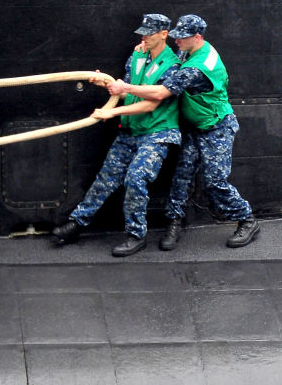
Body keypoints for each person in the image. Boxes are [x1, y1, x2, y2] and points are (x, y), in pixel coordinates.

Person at [107, 14, 259, 250]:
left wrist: (124, 87)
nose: (176, 40)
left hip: (216, 128)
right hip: (193, 127)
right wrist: (145, 49)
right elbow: (171, 58)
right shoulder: (189, 50)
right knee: (181, 177)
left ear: (197, 37)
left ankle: (246, 219)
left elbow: (161, 93)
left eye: (182, 37)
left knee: (215, 181)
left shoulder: (198, 67)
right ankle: (175, 222)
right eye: (176, 35)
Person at [51, 14, 181, 256]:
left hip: (157, 133)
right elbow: (128, 93)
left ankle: (136, 235)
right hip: (131, 130)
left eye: (150, 33)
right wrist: (108, 86)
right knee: (106, 178)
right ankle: (77, 223)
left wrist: (112, 112)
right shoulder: (137, 56)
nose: (144, 36)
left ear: (164, 34)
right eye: (143, 32)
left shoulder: (172, 65)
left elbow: (152, 102)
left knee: (136, 178)